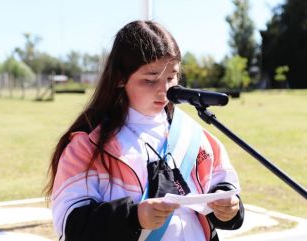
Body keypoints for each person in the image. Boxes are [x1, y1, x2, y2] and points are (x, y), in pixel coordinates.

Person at [45, 20, 244, 241]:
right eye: (150, 80)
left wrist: (230, 209)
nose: (164, 90)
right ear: (120, 79)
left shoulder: (196, 136)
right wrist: (134, 216)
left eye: (171, 78)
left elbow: (224, 186)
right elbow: (72, 225)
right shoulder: (88, 146)